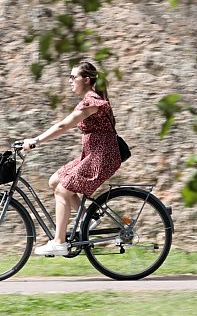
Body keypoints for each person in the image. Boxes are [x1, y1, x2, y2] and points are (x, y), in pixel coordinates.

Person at [23, 61, 122, 256]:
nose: (70, 81)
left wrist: (36, 140)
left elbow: (64, 125)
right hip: (92, 154)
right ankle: (88, 219)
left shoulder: (92, 101)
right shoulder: (88, 100)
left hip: (102, 156)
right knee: (55, 181)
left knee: (62, 191)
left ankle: (59, 242)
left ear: (86, 80)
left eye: (73, 77)